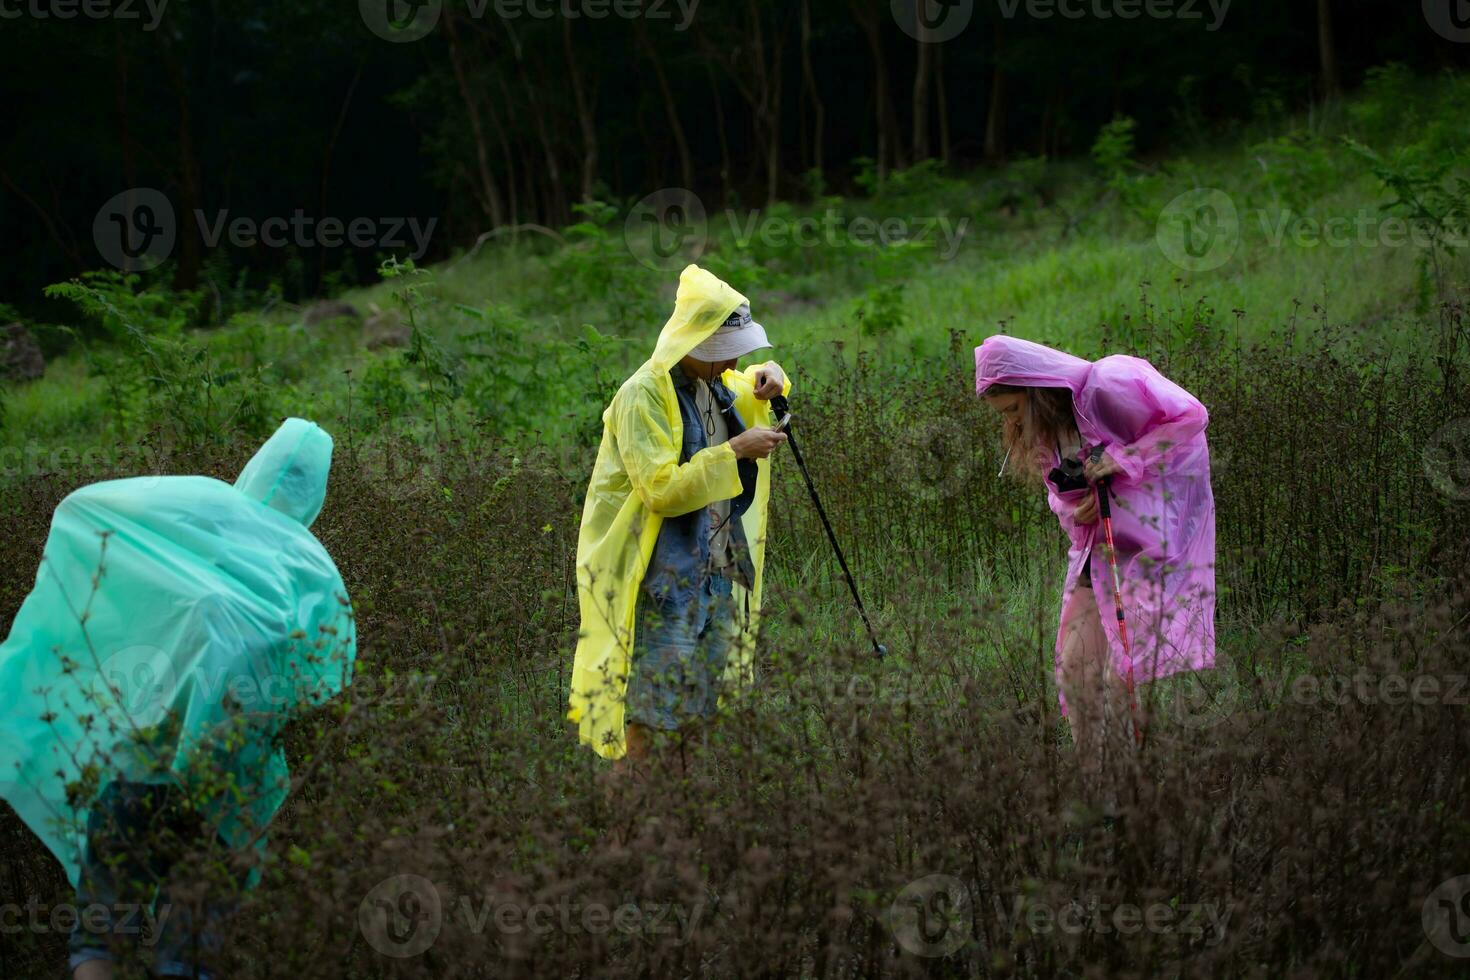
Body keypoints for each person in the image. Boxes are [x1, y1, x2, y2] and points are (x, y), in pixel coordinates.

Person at [0, 418, 356, 979]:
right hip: (221, 792)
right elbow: (319, 680)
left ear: (254, 465)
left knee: (101, 934)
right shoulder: (299, 576)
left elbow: (90, 511)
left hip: (133, 771)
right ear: (316, 494)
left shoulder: (185, 538)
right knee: (187, 953)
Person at [975, 336, 1215, 809]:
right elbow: (1061, 494)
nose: (1010, 423)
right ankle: (1095, 788)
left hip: (1154, 537)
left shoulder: (1110, 383)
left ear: (1035, 388)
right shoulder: (1046, 433)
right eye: (1002, 414)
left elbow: (1191, 417)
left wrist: (1122, 460)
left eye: (1011, 408)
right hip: (1097, 547)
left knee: (1118, 673)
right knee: (1074, 668)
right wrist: (1080, 503)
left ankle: (1129, 794)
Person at [568, 265, 790, 775]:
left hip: (714, 578)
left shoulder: (712, 385)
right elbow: (661, 491)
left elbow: (758, 382)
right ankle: (630, 835)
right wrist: (734, 450)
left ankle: (681, 827)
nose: (735, 359)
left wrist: (773, 374)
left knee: (702, 716)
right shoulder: (642, 395)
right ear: (697, 340)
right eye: (725, 348)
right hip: (662, 583)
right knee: (647, 722)